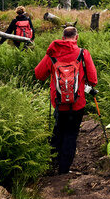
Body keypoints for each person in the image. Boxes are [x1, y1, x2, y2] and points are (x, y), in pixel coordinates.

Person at [34, 26, 98, 174]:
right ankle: (64, 170)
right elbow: (93, 80)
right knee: (71, 133)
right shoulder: (83, 53)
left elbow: (38, 74)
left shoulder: (52, 54)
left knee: (58, 131)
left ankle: (52, 164)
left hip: (59, 102)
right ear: (76, 37)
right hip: (78, 103)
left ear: (63, 38)